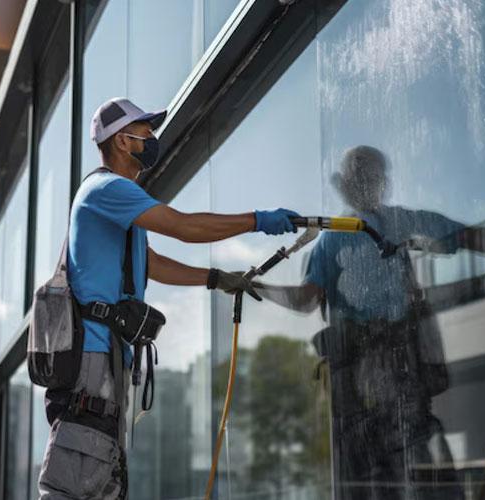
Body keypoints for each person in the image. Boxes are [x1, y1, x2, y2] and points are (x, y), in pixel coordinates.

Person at [37, 97, 298, 499]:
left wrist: (215, 278)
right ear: (122, 142)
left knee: (102, 478)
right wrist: (257, 220)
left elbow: (152, 264)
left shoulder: (123, 210)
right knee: (76, 483)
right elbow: (184, 226)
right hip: (92, 358)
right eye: (145, 131)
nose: (152, 138)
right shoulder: (106, 189)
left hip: (109, 359)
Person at [254, 146, 485, 499]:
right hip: (360, 386)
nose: (366, 184)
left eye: (372, 176)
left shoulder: (401, 223)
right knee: (375, 479)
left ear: (382, 182)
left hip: (403, 376)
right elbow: (306, 300)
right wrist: (256, 286)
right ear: (346, 184)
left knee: (422, 472)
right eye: (358, 177)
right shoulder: (332, 238)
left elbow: (471, 238)